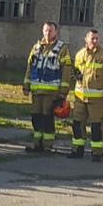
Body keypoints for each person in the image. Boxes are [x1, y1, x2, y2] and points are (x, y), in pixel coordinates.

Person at [22, 22, 72, 153]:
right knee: (36, 117)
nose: (48, 33)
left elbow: (66, 71)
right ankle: (37, 143)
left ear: (56, 32)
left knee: (47, 117)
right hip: (36, 91)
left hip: (52, 92)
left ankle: (47, 145)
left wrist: (63, 91)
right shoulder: (36, 47)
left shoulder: (62, 48)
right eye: (45, 30)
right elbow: (30, 66)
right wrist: (26, 85)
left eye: (50, 31)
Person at [68, 29, 103, 161]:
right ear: (86, 39)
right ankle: (77, 149)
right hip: (79, 97)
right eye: (92, 38)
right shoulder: (79, 55)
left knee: (96, 126)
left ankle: (96, 152)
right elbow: (76, 70)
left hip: (97, 100)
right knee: (77, 123)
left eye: (97, 39)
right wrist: (76, 75)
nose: (95, 41)